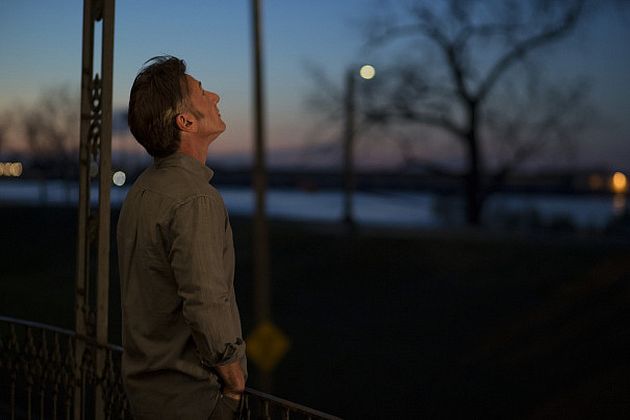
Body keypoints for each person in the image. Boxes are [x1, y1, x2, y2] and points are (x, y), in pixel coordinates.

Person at [117, 55, 247, 420]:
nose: (215, 97)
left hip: (145, 394)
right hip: (193, 400)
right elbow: (205, 298)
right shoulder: (195, 199)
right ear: (185, 121)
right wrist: (234, 379)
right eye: (203, 92)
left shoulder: (142, 191)